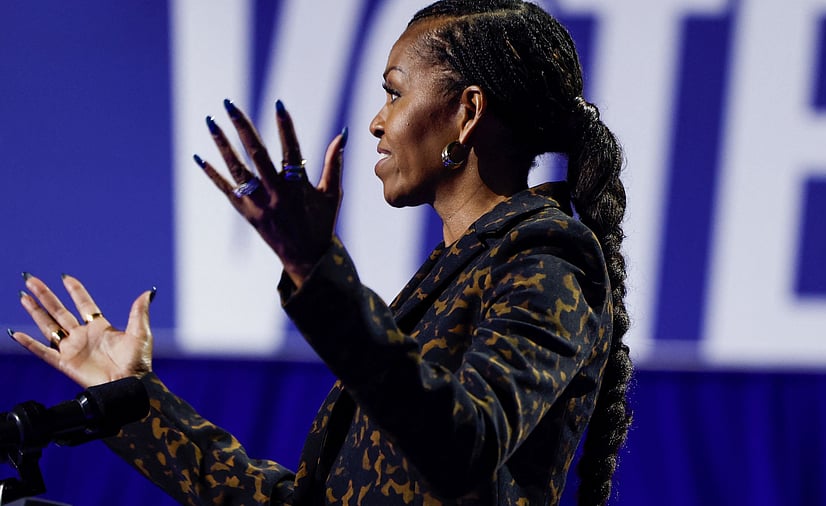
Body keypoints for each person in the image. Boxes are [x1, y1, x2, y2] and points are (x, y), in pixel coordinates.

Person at [9, 0, 633, 504]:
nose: (376, 122)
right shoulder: (450, 273)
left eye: (394, 92)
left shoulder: (548, 263)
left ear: (467, 112)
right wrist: (133, 399)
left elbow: (463, 447)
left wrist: (320, 275)